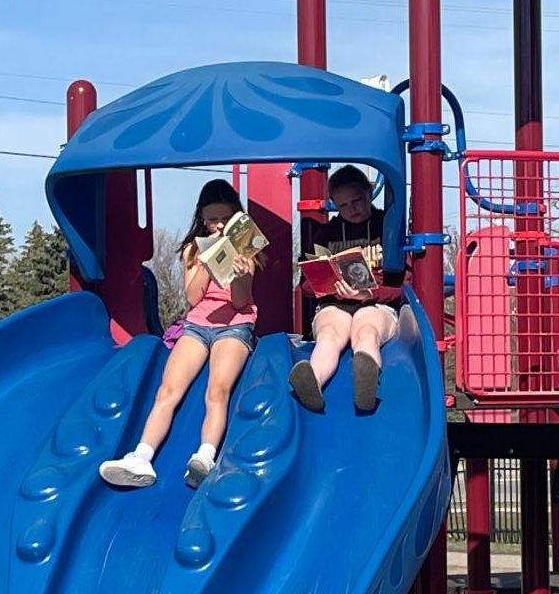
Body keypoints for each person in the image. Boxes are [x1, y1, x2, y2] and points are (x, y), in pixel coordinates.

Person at [100, 179, 257, 489]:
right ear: (202, 218)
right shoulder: (192, 249)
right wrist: (205, 264)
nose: (219, 227)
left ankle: (206, 456)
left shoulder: (245, 247)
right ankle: (141, 457)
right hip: (198, 325)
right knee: (167, 391)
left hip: (235, 324)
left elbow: (241, 301)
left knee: (217, 391)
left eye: (225, 219)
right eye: (212, 220)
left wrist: (240, 275)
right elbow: (194, 298)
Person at [289, 164, 402, 413]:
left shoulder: (388, 226)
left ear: (368, 193)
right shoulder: (327, 233)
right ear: (334, 206)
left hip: (376, 305)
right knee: (329, 333)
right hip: (336, 303)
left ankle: (366, 378)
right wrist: (332, 289)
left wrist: (370, 293)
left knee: (366, 327)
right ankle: (312, 380)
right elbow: (306, 285)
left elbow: (405, 285)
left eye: (358, 200)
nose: (353, 209)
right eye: (343, 205)